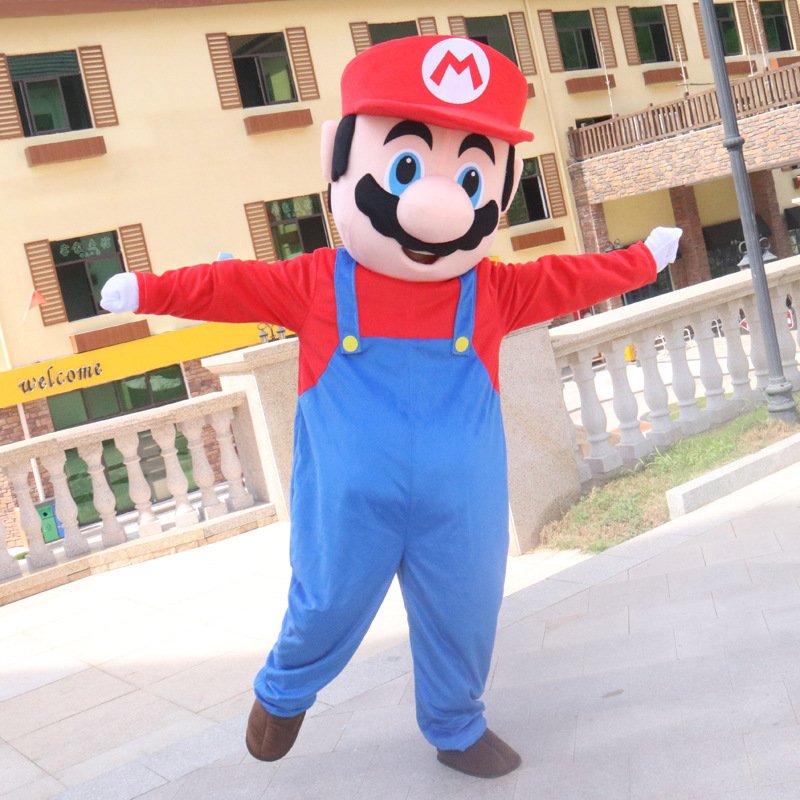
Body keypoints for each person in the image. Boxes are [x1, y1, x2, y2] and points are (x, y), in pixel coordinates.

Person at [101, 35, 681, 778]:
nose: (439, 204)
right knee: (326, 601)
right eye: (406, 168)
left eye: (469, 179)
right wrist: (148, 290)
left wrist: (643, 260)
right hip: (350, 504)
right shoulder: (316, 282)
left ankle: (456, 725)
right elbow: (229, 285)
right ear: (338, 160)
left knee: (466, 609)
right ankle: (283, 692)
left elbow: (573, 277)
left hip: (462, 503)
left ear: (501, 189)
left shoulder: (494, 289)